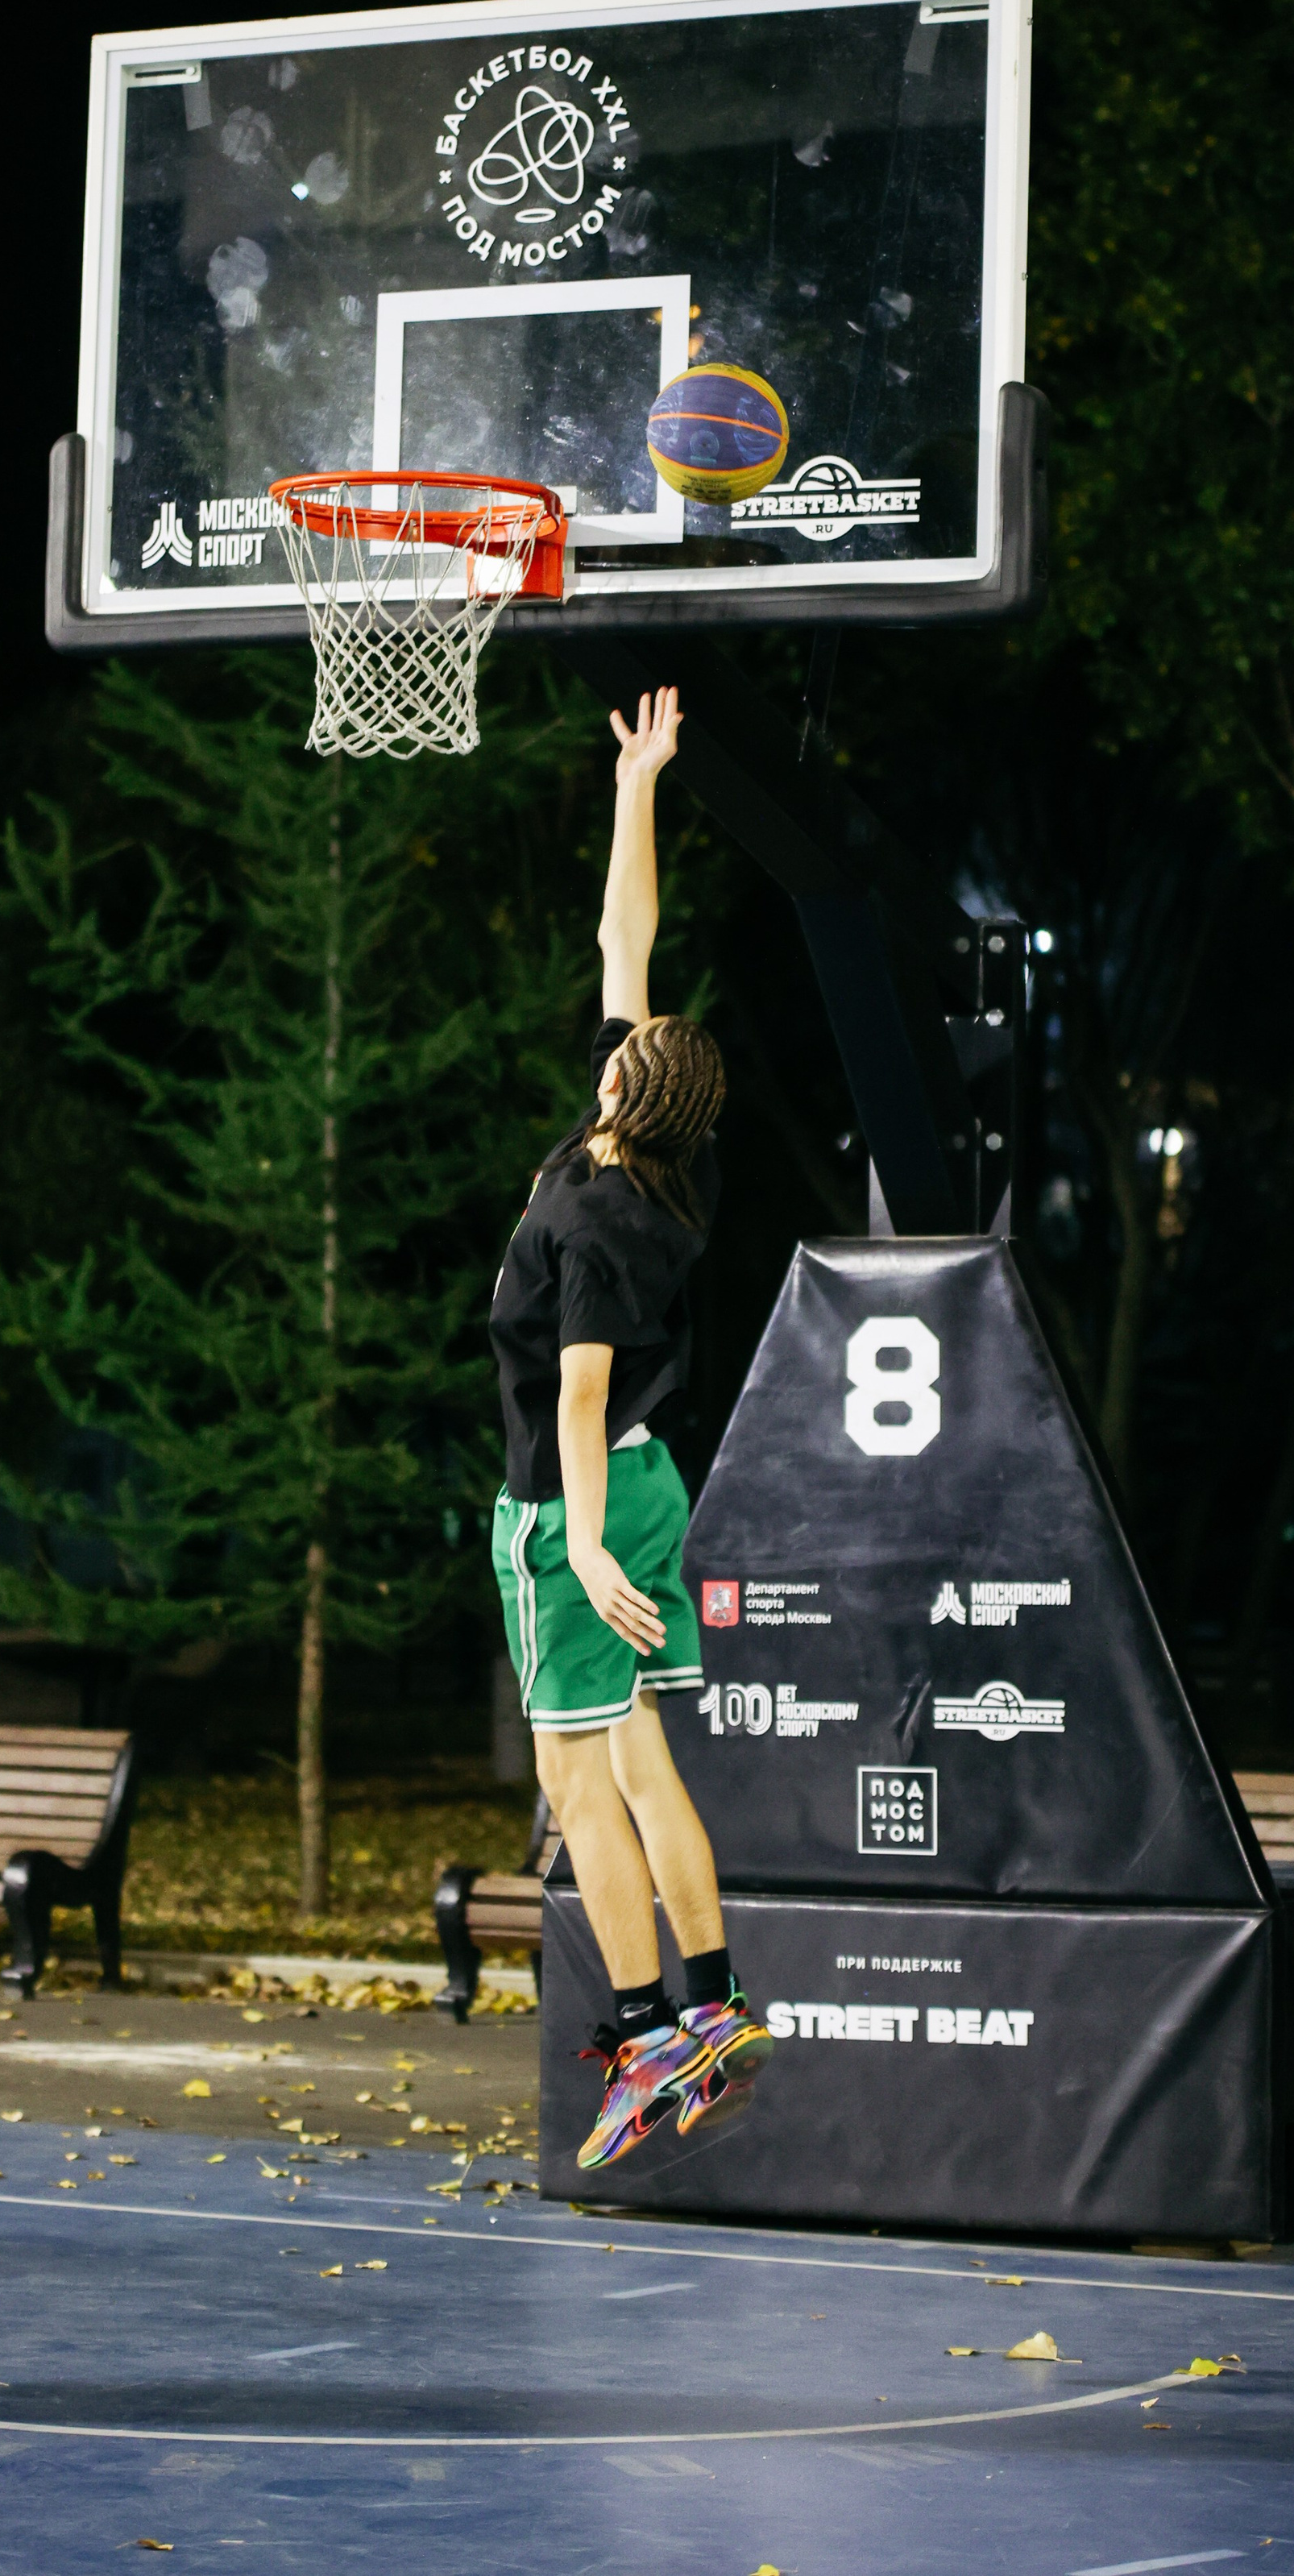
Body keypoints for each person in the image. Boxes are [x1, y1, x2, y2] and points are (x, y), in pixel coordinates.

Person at [488, 684, 773, 2169]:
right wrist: (640, 782)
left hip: (582, 1497)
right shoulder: (672, 1169)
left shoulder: (600, 1214)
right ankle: (715, 2000)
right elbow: (626, 937)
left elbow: (581, 1394)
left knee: (576, 1780)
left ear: (622, 1084)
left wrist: (582, 1547)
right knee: (647, 1759)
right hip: (656, 1482)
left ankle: (652, 2035)